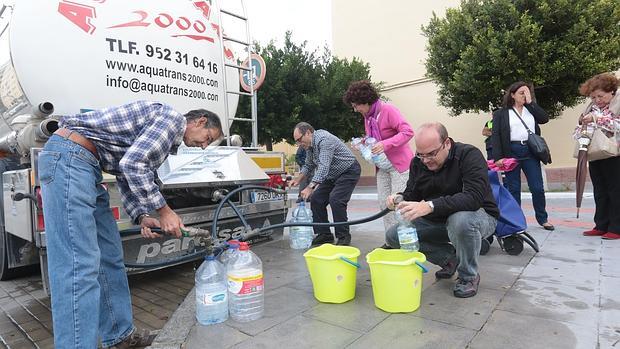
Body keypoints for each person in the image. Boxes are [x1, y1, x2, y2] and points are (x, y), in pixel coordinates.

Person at [38, 101, 223, 348]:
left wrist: (141, 215)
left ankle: (120, 336)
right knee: (77, 265)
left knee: (109, 257)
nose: (202, 146)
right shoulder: (172, 120)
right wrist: (164, 211)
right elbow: (133, 165)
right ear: (200, 121)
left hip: (87, 165)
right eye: (206, 138)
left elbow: (126, 171)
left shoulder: (166, 136)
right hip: (70, 158)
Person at [384, 123, 498, 298]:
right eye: (421, 155)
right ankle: (450, 259)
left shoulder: (469, 155)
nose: (426, 160)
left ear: (447, 143)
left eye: (431, 154)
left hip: (479, 216)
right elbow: (411, 193)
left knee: (460, 221)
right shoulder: (418, 163)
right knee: (393, 236)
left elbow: (473, 198)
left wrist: (430, 206)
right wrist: (399, 198)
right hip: (438, 219)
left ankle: (468, 276)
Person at [343, 80, 414, 231]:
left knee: (399, 203)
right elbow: (374, 139)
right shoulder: (368, 118)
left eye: (356, 105)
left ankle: (403, 239)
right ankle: (390, 240)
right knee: (384, 204)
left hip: (399, 166)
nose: (355, 110)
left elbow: (408, 132)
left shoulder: (389, 110)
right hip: (382, 166)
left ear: (366, 101)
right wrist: (363, 143)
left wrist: (385, 144)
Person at [491, 81, 555, 231]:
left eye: (527, 93)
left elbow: (544, 119)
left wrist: (531, 102)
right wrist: (498, 157)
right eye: (521, 93)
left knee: (537, 187)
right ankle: (516, 220)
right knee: (513, 188)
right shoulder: (501, 113)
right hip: (511, 151)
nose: (525, 96)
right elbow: (496, 136)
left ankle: (543, 218)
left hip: (530, 151)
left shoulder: (531, 109)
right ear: (512, 95)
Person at [290, 122, 361, 246]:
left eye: (299, 140)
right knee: (317, 199)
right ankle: (324, 234)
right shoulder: (309, 146)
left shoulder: (324, 140)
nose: (299, 144)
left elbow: (323, 167)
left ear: (308, 132)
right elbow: (309, 165)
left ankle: (343, 236)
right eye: (297, 141)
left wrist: (309, 187)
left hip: (348, 171)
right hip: (332, 175)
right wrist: (298, 179)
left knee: (336, 199)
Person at [576, 73, 620, 240]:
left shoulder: (617, 104)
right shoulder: (591, 108)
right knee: (600, 191)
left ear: (611, 92)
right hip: (595, 152)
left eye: (600, 96)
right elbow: (578, 128)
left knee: (615, 191)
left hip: (614, 153)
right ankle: (601, 225)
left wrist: (596, 119)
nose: (597, 100)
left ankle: (616, 227)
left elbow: (617, 125)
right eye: (593, 97)